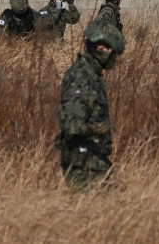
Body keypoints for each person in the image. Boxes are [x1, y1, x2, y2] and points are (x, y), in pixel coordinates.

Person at [54, 22, 126, 191]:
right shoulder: (81, 76)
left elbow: (76, 108)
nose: (113, 58)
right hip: (83, 165)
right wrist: (93, 128)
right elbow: (70, 117)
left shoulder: (92, 74)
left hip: (94, 161)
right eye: (111, 52)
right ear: (102, 48)